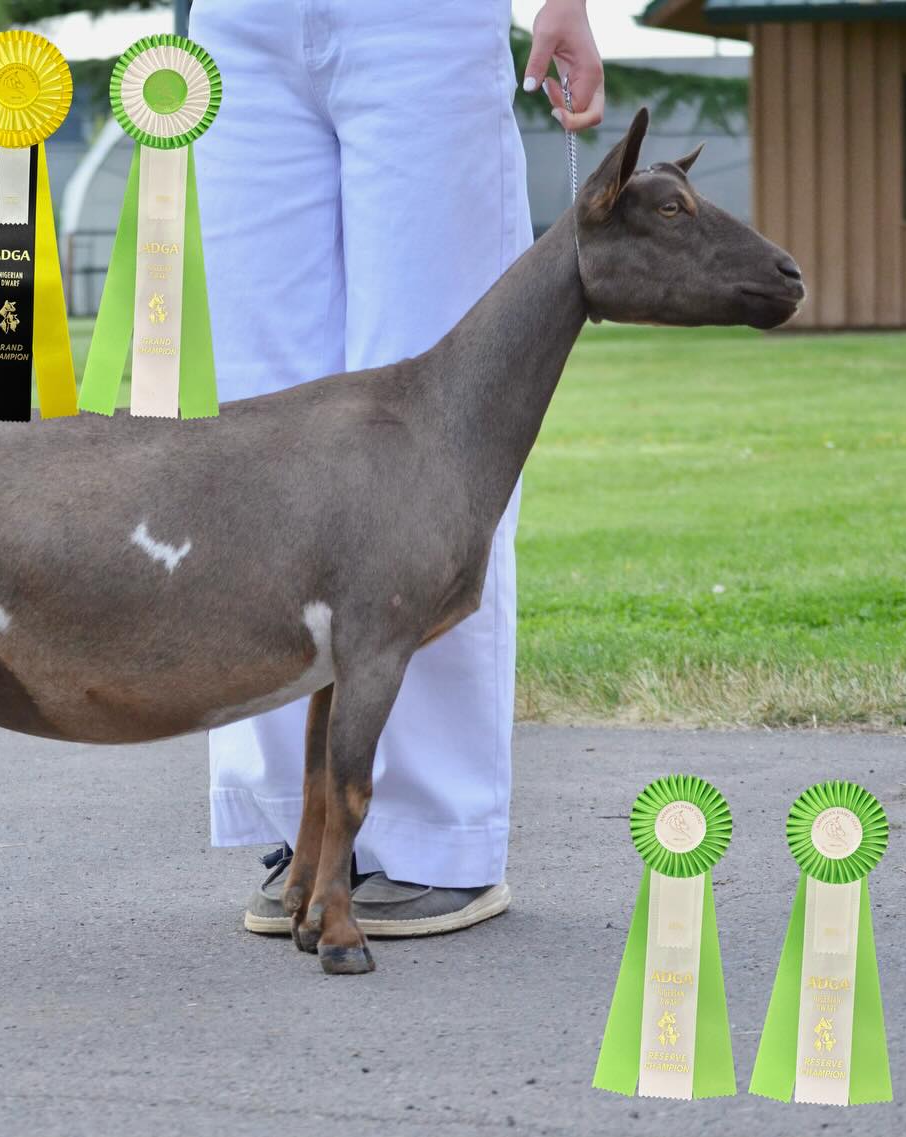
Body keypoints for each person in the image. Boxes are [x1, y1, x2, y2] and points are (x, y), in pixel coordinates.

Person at [190, 0, 605, 936]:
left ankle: (434, 835)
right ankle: (292, 818)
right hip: (237, 28)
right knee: (259, 425)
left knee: (436, 430)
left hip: (420, 22)